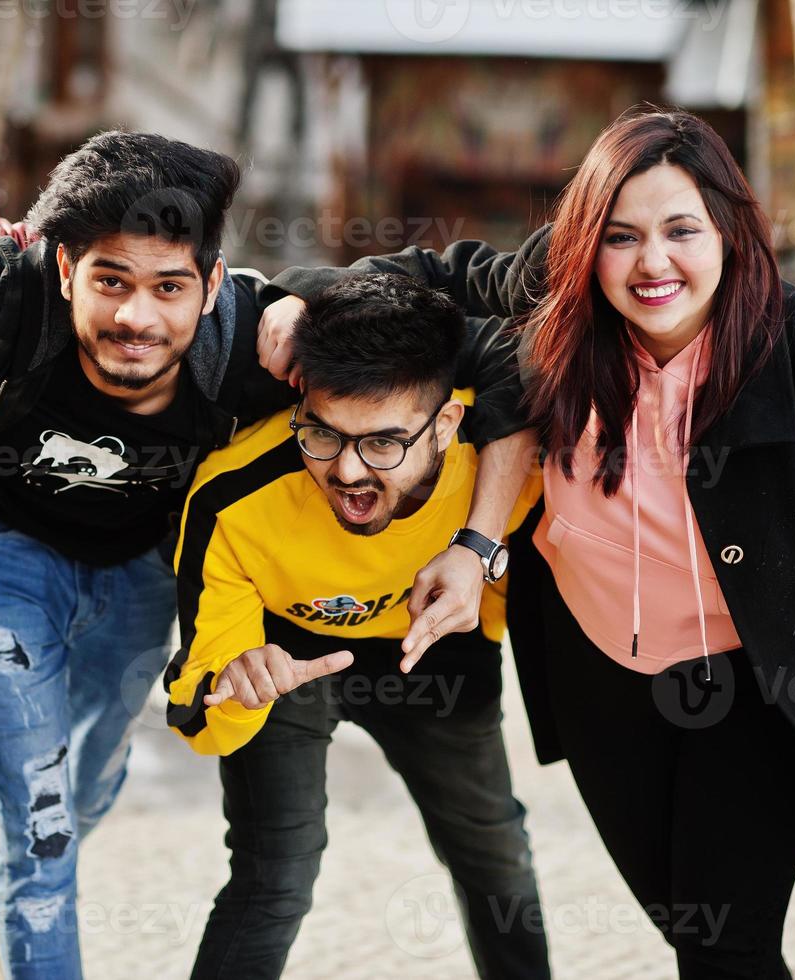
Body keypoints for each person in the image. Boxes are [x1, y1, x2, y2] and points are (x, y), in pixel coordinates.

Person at [0, 131, 538, 979]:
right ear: (61, 268)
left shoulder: (252, 340)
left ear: (209, 285)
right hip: (6, 557)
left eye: (169, 286)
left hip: (139, 580)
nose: (136, 316)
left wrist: (302, 297)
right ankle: (34, 895)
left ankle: (36, 876)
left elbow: (477, 342)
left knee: (77, 797)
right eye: (110, 281)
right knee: (43, 827)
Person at [259, 107, 795, 979]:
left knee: (724, 944)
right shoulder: (554, 307)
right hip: (601, 680)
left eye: (680, 230)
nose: (652, 262)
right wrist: (298, 295)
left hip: (761, 679)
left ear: (730, 233)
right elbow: (426, 275)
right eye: (621, 237)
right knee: (686, 923)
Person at [167, 273, 550, 979]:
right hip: (288, 655)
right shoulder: (232, 499)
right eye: (322, 434)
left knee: (492, 851)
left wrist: (484, 591)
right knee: (274, 875)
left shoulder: (501, 464)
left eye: (381, 443)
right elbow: (197, 703)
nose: (346, 471)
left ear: (444, 425)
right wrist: (235, 684)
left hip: (431, 649)